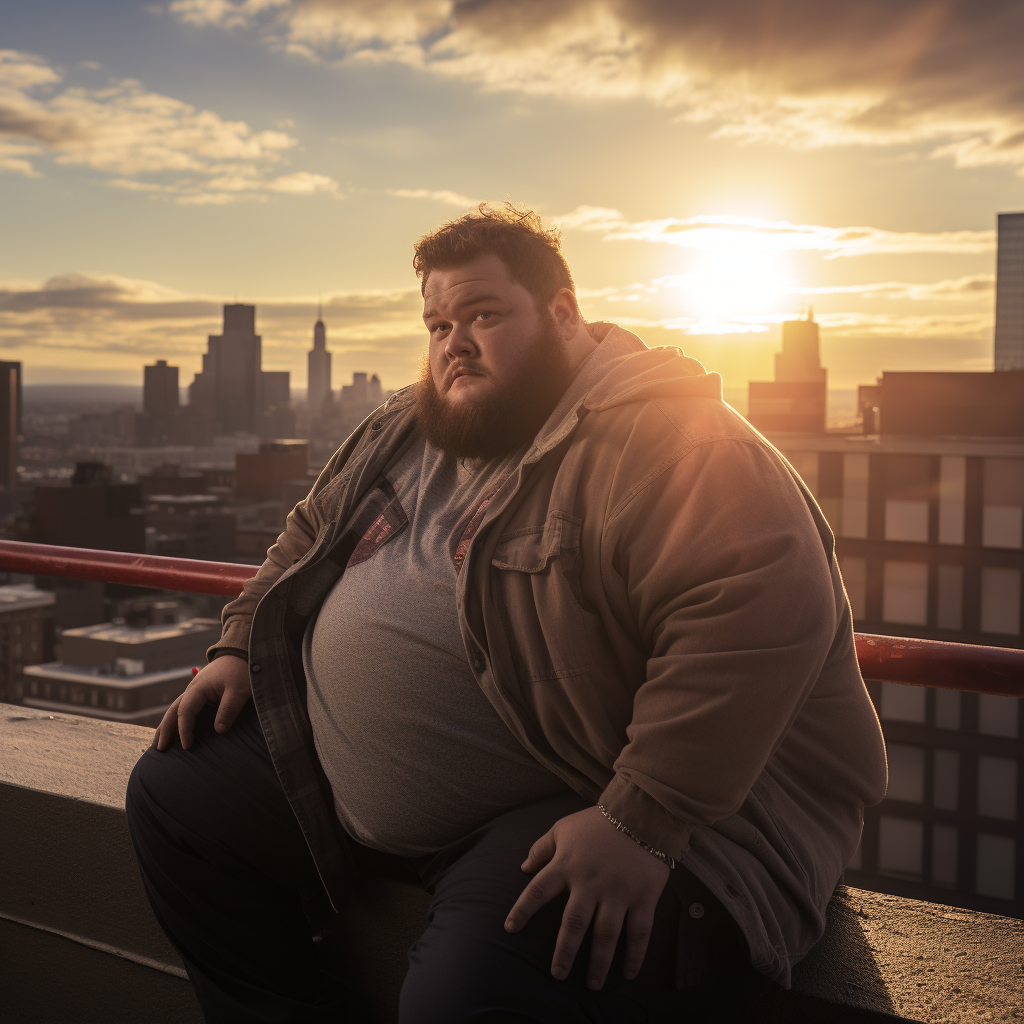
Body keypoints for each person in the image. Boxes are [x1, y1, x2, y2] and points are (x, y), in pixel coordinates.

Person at [126, 203, 887, 1023]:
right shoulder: (406, 427)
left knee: (467, 1002)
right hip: (375, 790)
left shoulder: (680, 443)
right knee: (175, 798)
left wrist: (641, 820)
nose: (455, 341)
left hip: (589, 791)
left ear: (563, 313)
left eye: (485, 314)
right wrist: (239, 644)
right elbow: (308, 535)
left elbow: (751, 629)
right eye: (438, 322)